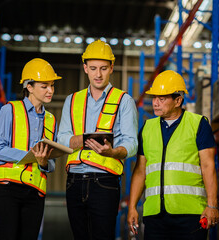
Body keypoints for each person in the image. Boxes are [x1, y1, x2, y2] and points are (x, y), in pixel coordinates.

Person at [57, 39, 138, 240]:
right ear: (85, 68)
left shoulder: (124, 101)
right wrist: (84, 140)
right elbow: (62, 138)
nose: (98, 74)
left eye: (103, 68)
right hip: (74, 180)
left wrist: (112, 152)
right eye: (93, 68)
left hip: (105, 181)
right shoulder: (72, 100)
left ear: (112, 67)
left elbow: (132, 143)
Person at [127, 70, 219, 240]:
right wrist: (132, 206)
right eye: (154, 98)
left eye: (162, 99)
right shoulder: (147, 128)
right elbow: (140, 171)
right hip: (155, 216)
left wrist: (212, 205)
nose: (155, 103)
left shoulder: (198, 124)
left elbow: (208, 166)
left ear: (178, 100)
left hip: (191, 215)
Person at [0, 58, 61, 240]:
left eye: (52, 86)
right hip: (8, 191)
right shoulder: (10, 110)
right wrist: (30, 156)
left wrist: (44, 162)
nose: (50, 91)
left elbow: (50, 164)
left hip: (35, 195)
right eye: (44, 86)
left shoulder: (51, 120)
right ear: (29, 86)